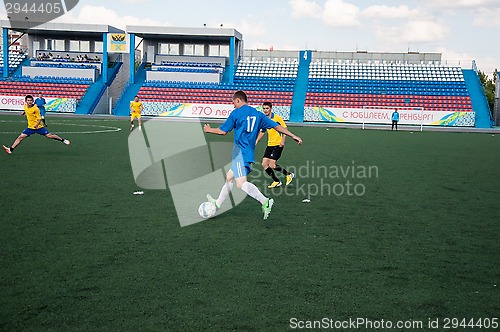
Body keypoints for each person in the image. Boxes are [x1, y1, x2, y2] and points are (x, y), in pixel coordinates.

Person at [203, 90, 303, 220]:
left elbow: (223, 131)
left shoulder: (236, 113)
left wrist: (208, 129)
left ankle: (265, 201)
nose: (233, 105)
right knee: (229, 177)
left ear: (238, 100)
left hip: (240, 153)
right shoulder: (258, 114)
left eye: (233, 102)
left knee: (241, 183)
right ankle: (217, 204)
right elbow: (277, 126)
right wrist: (293, 135)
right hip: (247, 152)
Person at [2, 95, 70, 155]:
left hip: (38, 127)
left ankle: (62, 140)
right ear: (26, 101)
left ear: (33, 101)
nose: (29, 102)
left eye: (31, 100)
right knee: (20, 137)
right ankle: (10, 149)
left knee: (49, 136)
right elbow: (26, 110)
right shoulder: (25, 106)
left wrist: (36, 125)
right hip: (30, 127)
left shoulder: (35, 109)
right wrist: (24, 112)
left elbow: (39, 118)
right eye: (28, 100)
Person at [256, 102, 294, 188]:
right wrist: (257, 141)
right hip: (270, 144)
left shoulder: (277, 118)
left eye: (267, 108)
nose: (265, 110)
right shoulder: (264, 119)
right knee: (264, 164)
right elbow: (262, 131)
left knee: (272, 165)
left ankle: (289, 175)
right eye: (264, 108)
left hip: (278, 144)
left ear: (271, 108)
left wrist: (283, 141)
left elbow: (284, 129)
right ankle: (276, 181)